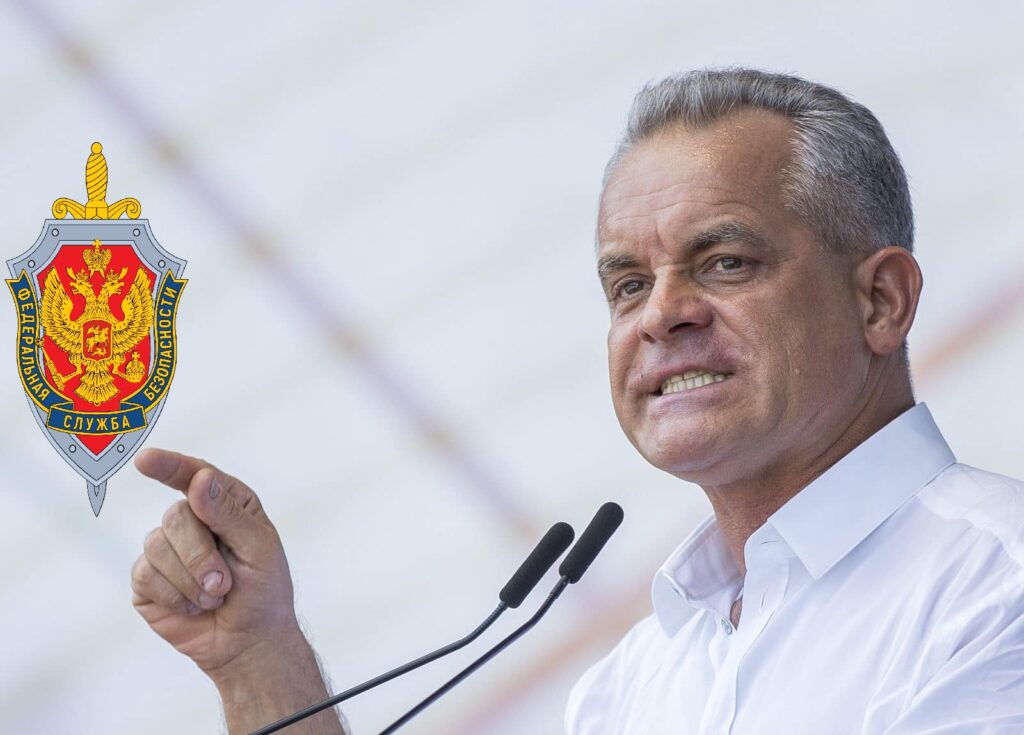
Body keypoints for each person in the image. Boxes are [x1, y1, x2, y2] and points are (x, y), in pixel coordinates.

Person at [130, 68, 1024, 734]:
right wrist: (260, 662)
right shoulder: (630, 686)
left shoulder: (997, 589)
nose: (662, 314)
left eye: (725, 262)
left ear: (881, 301)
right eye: (628, 285)